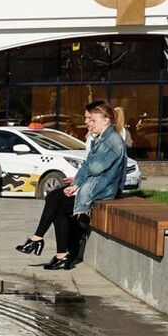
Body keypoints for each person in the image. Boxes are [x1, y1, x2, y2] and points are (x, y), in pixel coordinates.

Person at [27, 100, 126, 270]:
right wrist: (77, 182)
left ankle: (46, 244)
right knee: (54, 196)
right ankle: (55, 251)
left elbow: (94, 168)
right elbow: (87, 165)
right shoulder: (101, 138)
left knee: (58, 204)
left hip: (102, 190)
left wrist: (80, 181)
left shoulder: (113, 141)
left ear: (106, 120)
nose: (88, 123)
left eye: (92, 120)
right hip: (93, 186)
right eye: (88, 119)